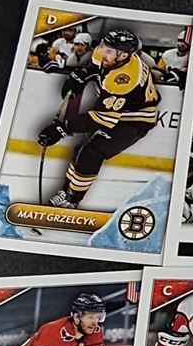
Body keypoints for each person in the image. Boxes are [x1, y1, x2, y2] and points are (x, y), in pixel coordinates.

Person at [38, 26, 171, 210]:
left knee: (91, 153)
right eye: (103, 46)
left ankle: (72, 200)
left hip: (136, 120)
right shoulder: (107, 55)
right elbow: (94, 67)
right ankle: (65, 191)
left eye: (109, 51)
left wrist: (62, 128)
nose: (102, 52)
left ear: (123, 56)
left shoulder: (125, 78)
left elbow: (101, 118)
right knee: (80, 150)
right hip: (116, 111)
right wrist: (79, 76)